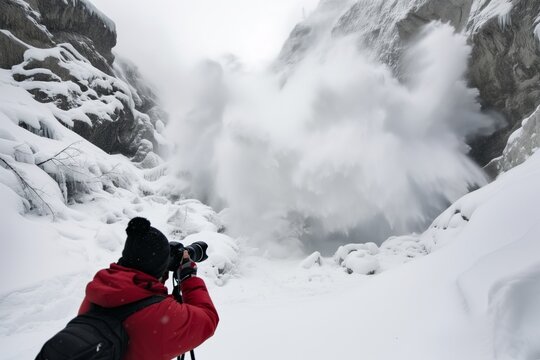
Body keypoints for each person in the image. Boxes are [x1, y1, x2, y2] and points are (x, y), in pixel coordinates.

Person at [78, 217, 219, 360]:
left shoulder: (98, 292)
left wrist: (158, 268)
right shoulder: (160, 317)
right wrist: (188, 278)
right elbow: (208, 319)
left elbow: (137, 293)